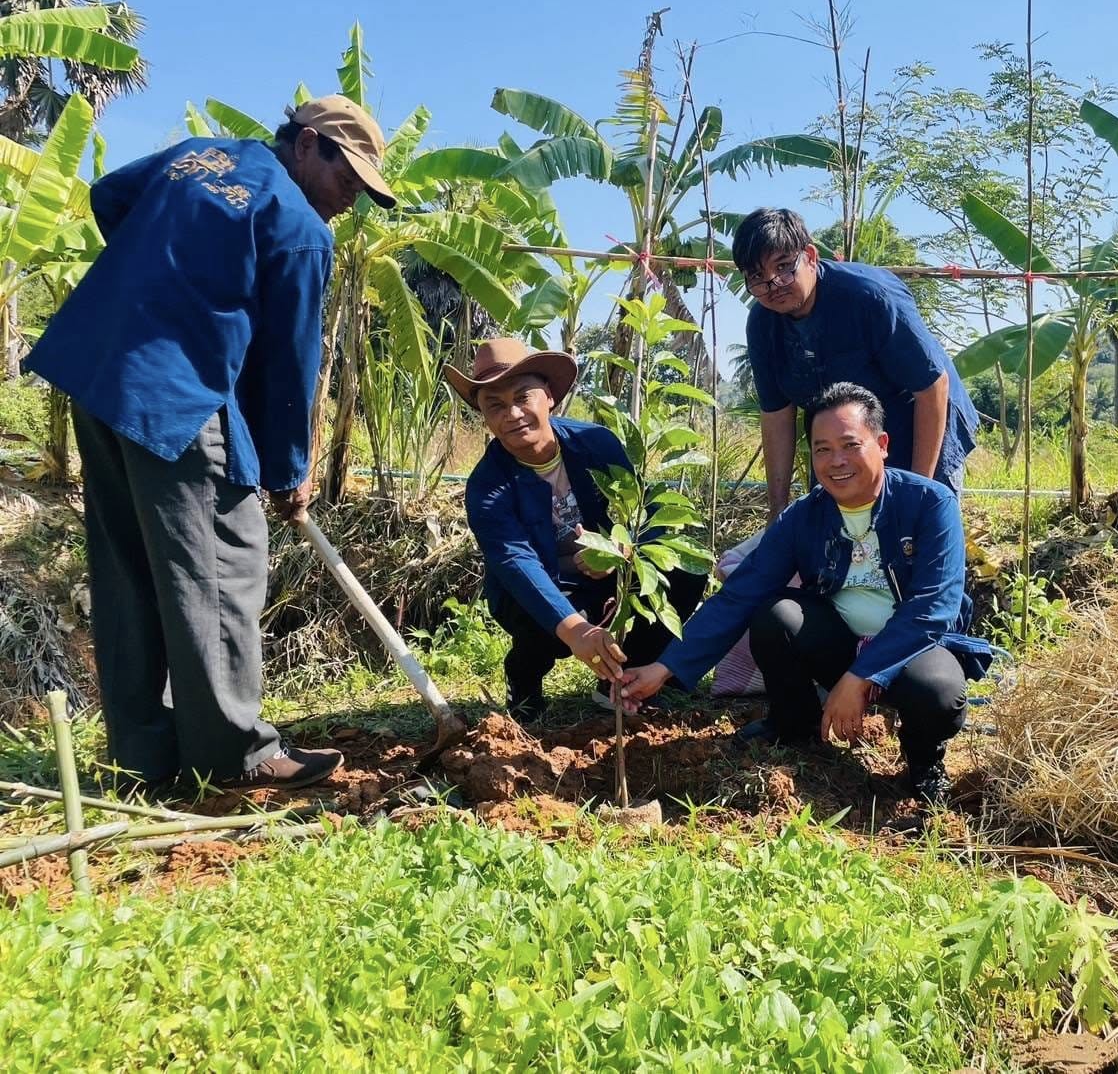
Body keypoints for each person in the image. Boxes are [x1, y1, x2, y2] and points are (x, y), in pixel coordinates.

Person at [22, 94, 396, 791]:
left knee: (130, 568)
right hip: (174, 393)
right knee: (223, 565)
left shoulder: (204, 156)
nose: (351, 199)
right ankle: (237, 756)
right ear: (309, 143)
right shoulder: (300, 228)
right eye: (348, 178)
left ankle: (143, 755)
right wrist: (288, 472)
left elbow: (111, 195)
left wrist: (161, 277)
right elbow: (290, 368)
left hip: (96, 370)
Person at [620, 383, 992, 804]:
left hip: (910, 651)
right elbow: (740, 593)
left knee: (939, 691)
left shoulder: (929, 502)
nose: (837, 462)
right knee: (775, 615)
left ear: (882, 444)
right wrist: (665, 667)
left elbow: (933, 609)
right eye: (822, 449)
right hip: (836, 641)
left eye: (850, 445)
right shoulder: (805, 516)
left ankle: (924, 763)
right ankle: (795, 724)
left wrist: (859, 678)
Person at [451, 339, 706, 722]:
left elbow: (640, 511)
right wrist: (575, 630)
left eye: (523, 397)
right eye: (496, 406)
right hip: (542, 586)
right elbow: (516, 561)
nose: (513, 414)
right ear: (485, 417)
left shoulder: (596, 445)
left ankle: (624, 678)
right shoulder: (486, 487)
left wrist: (621, 549)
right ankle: (524, 683)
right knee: (534, 618)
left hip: (609, 572)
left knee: (681, 574)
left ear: (549, 397)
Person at [734, 207, 980, 523]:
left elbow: (932, 386)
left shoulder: (869, 297)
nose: (774, 284)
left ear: (809, 256)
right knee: (837, 540)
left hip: (920, 418)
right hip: (845, 438)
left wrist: (918, 493)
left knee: (918, 533)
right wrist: (777, 511)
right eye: (758, 277)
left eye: (784, 268)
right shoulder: (762, 325)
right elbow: (777, 415)